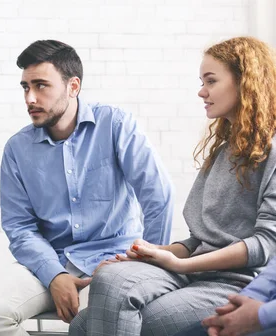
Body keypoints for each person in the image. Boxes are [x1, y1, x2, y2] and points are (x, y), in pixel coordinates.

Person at [71, 36, 276, 336]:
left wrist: (179, 265)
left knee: (91, 323)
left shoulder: (271, 151)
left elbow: (265, 246)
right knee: (109, 278)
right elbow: (199, 239)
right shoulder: (223, 150)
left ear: (245, 83)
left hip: (235, 282)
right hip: (197, 271)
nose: (201, 91)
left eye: (211, 81)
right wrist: (156, 252)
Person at [0, 39, 174, 335]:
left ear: (73, 87)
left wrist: (144, 267)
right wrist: (54, 275)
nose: (30, 98)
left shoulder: (115, 124)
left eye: (41, 86)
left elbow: (158, 197)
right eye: (25, 87)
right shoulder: (17, 148)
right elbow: (19, 226)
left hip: (115, 263)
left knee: (98, 321)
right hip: (50, 261)